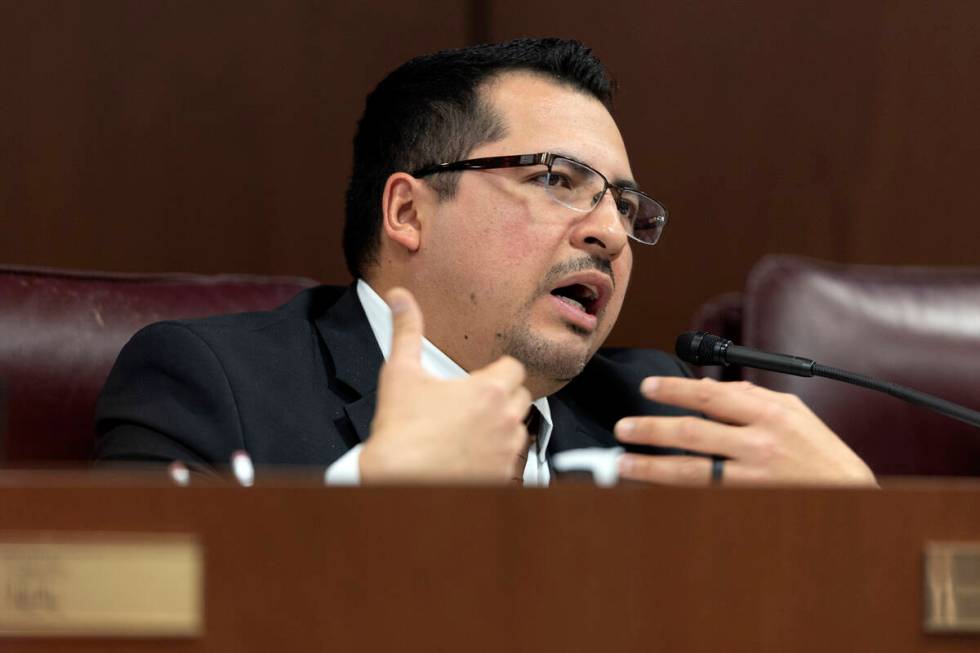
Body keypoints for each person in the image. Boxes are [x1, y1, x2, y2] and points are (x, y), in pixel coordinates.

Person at [95, 38, 875, 487]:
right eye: (556, 180)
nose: (608, 229)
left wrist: (854, 534)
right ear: (408, 211)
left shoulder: (658, 423)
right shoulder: (210, 383)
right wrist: (364, 500)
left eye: (625, 206)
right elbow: (128, 622)